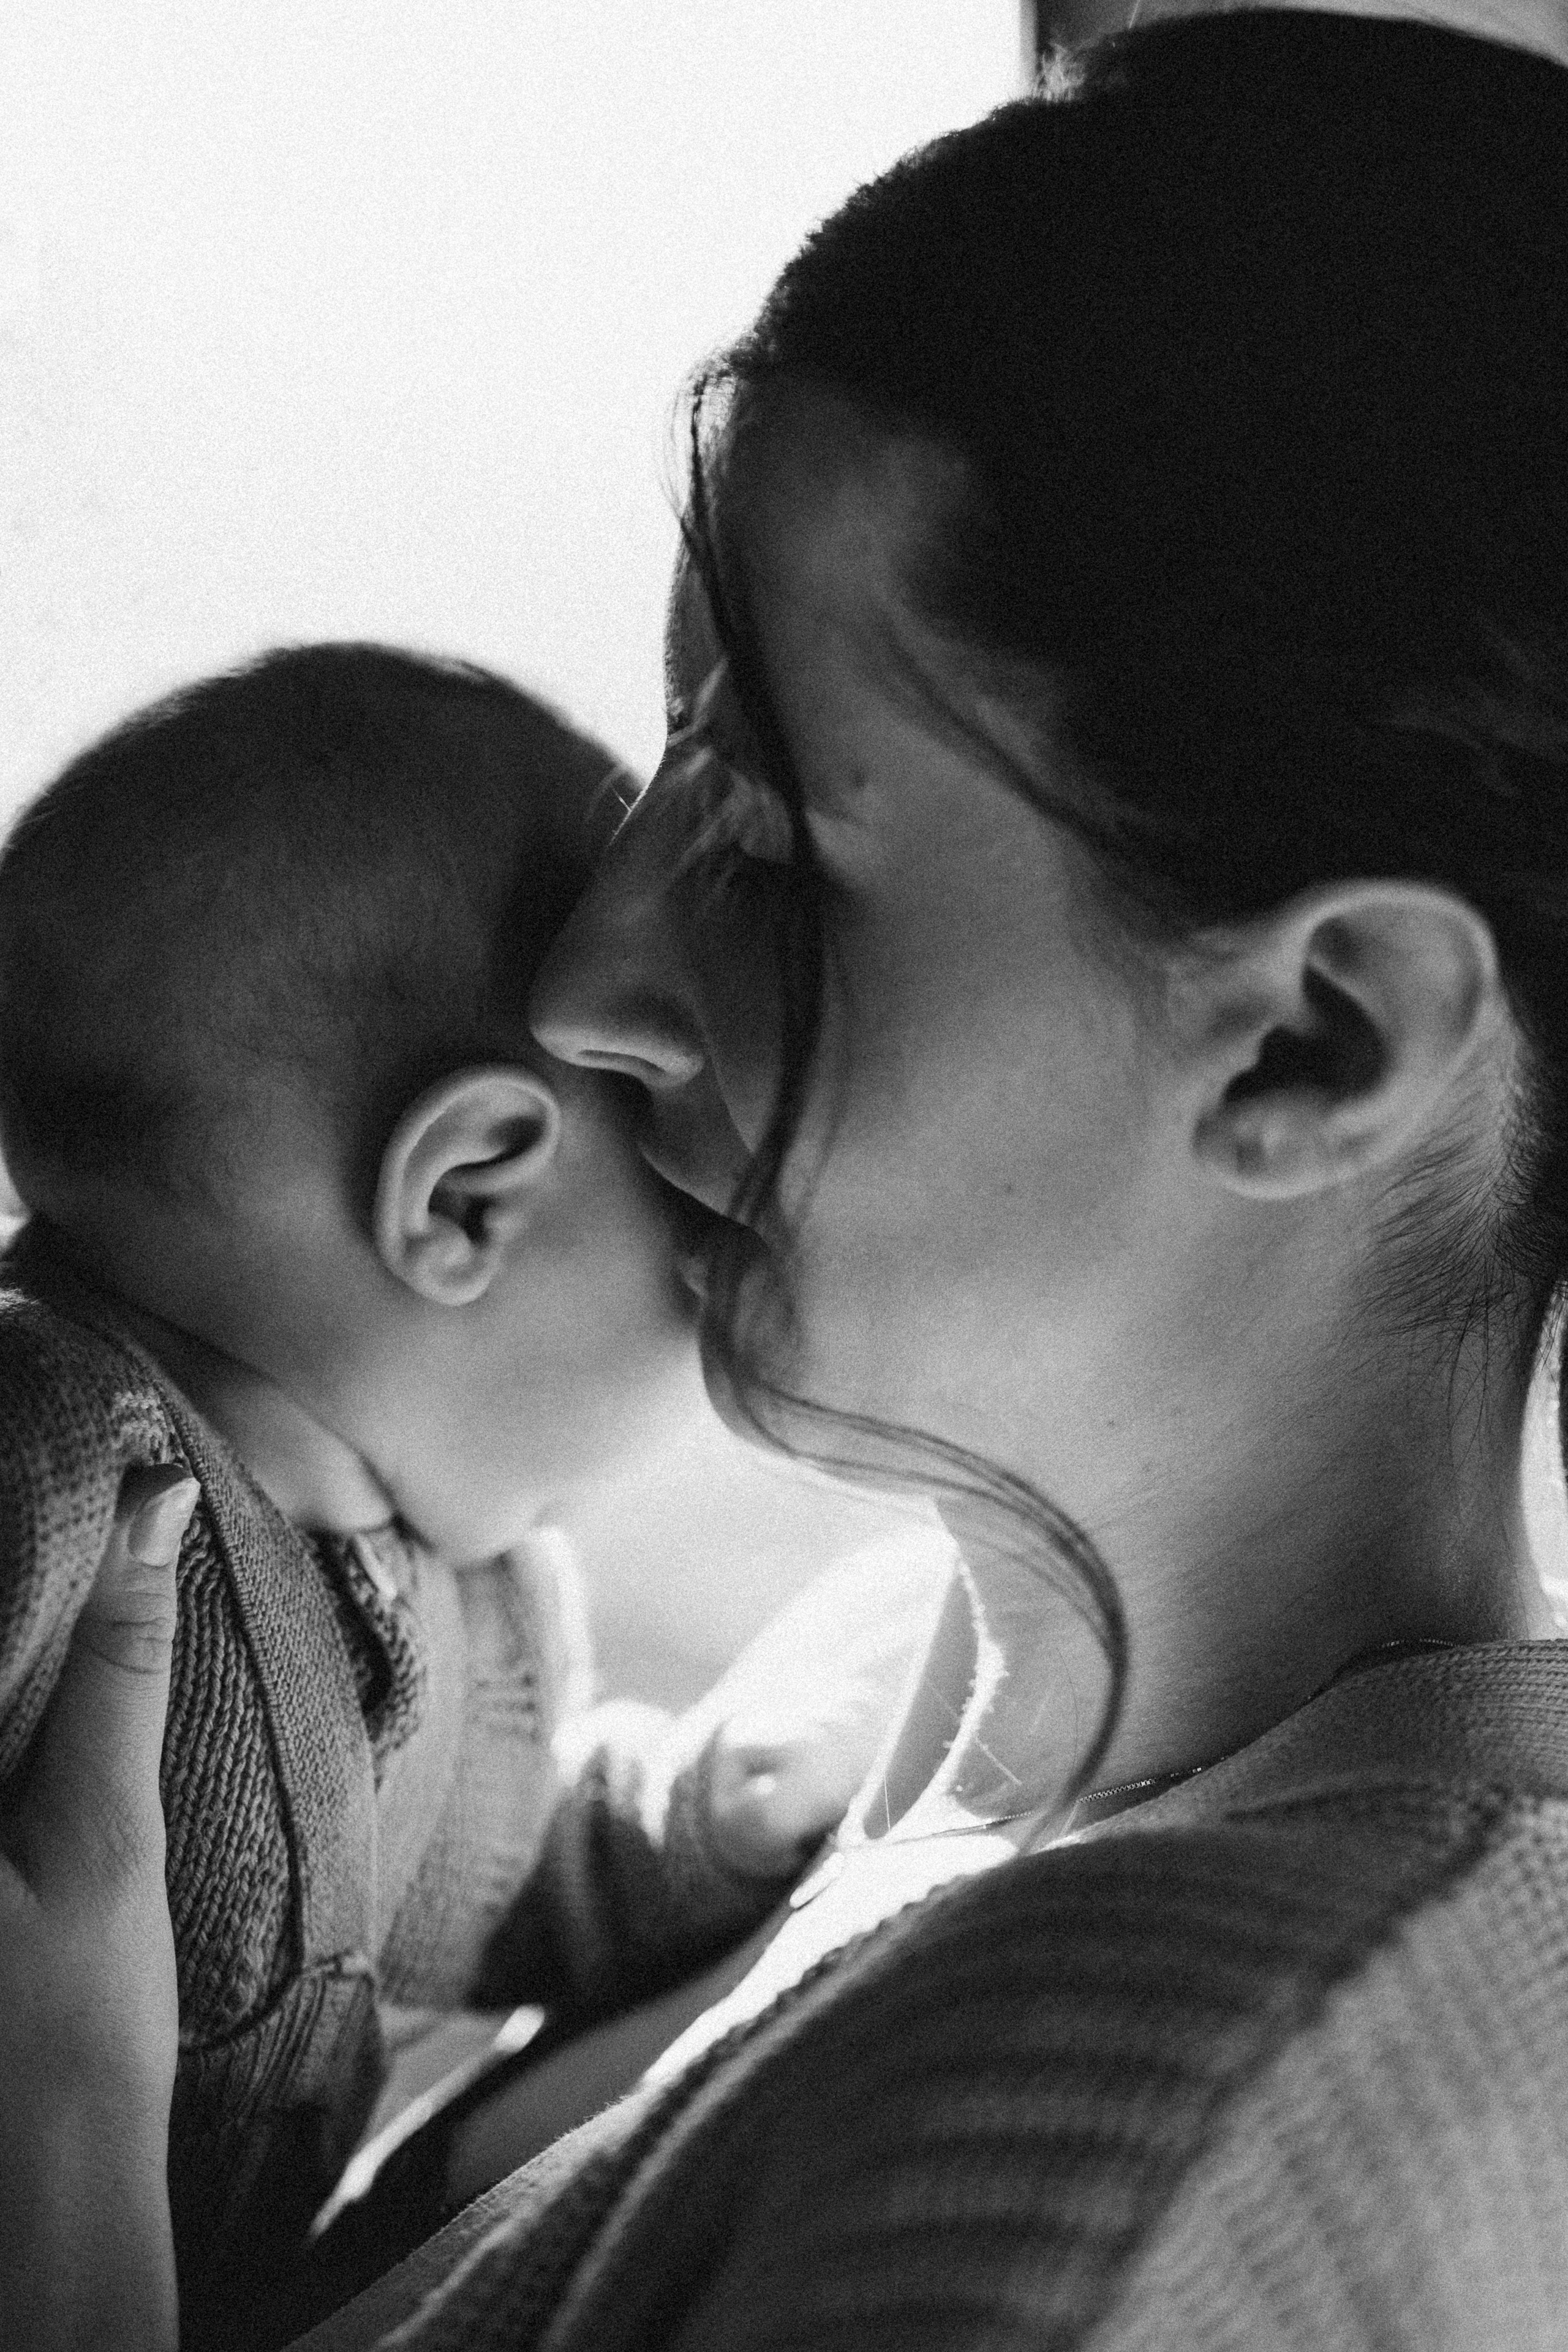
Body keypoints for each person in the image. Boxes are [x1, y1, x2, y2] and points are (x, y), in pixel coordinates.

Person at [9, 8, 1568, 2347]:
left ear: (1317, 1038)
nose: (587, 979)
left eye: (775, 849)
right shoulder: (917, 1681)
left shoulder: (1172, 2140)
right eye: (664, 751)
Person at [0, 645, 928, 2348]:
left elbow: (491, 1892)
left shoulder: (463, 1603)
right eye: (694, 1237)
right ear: (472, 1199)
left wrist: (688, 1827)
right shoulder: (58, 1441)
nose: (719, 1315)